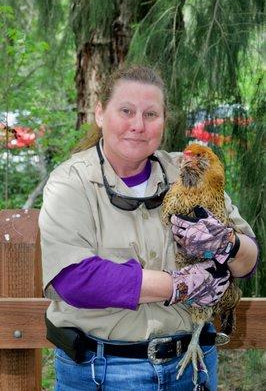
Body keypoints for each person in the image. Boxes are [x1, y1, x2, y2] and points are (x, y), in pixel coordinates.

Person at [39, 65, 258, 391]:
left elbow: (249, 259)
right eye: (126, 111)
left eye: (151, 114)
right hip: (103, 371)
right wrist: (179, 285)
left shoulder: (188, 172)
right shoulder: (71, 183)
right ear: (100, 113)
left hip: (192, 366)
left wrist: (229, 244)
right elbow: (75, 280)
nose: (138, 125)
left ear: (163, 121)